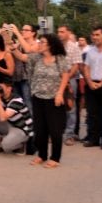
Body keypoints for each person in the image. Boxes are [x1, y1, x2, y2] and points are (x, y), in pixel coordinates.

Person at [20, 34, 70, 167]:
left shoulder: (59, 59)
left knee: (55, 130)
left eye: (42, 42)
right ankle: (42, 155)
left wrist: (60, 93)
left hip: (54, 99)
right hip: (38, 97)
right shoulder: (37, 58)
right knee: (40, 129)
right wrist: (13, 47)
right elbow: (22, 57)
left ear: (50, 45)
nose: (39, 44)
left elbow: (65, 75)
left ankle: (55, 157)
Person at [0, 80, 34, 155]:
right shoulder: (3, 98)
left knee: (6, 146)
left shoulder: (16, 100)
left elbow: (3, 118)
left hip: (22, 130)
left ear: (9, 89)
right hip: (11, 125)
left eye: (1, 87)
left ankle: (20, 145)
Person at [57, 25, 82, 145]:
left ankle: (70, 134)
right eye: (58, 32)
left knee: (70, 107)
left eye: (62, 32)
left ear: (68, 33)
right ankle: (56, 133)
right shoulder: (55, 46)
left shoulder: (74, 47)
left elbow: (76, 65)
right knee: (57, 107)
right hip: (56, 80)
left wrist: (67, 78)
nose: (59, 34)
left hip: (70, 80)